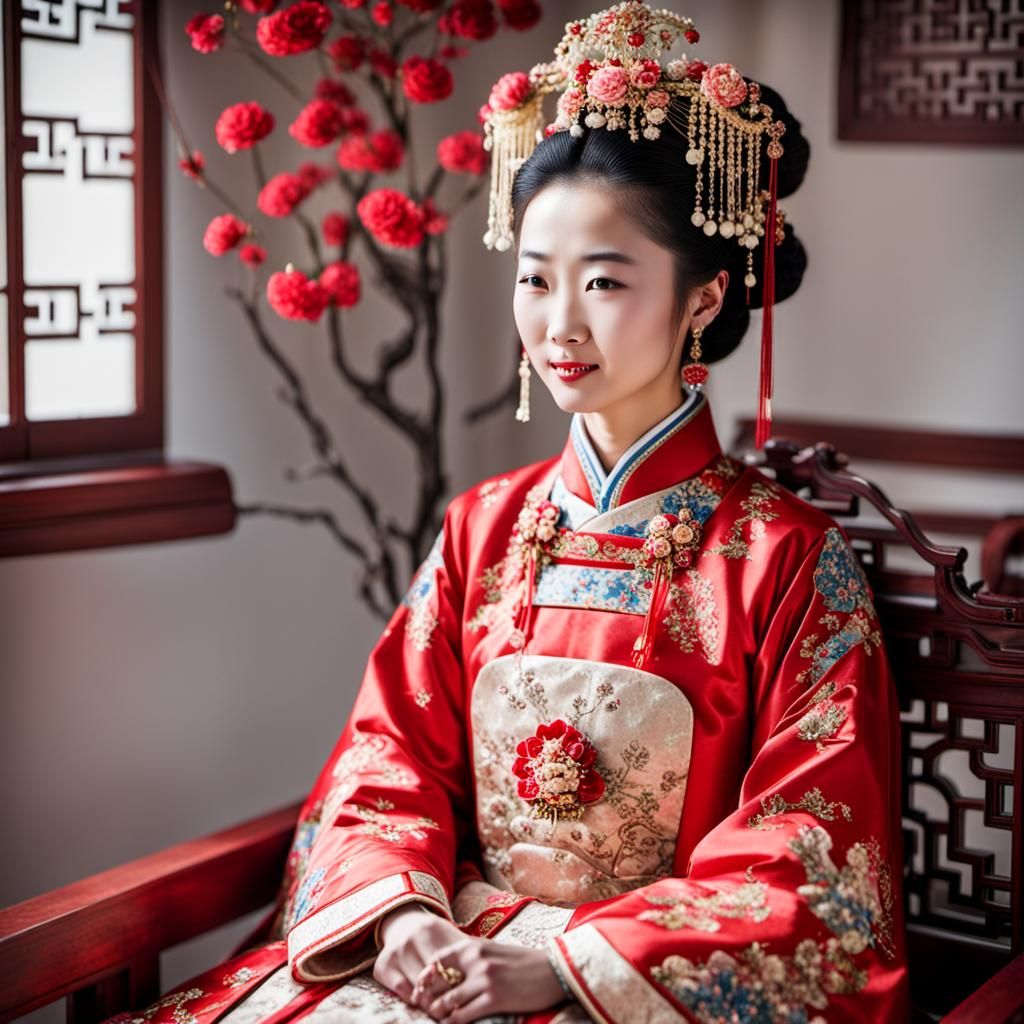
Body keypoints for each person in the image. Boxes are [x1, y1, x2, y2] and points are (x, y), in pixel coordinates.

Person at [107, 4, 910, 1022]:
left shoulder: (789, 559)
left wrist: (566, 967)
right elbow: (388, 756)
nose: (558, 324)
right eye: (535, 279)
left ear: (704, 299)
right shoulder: (481, 526)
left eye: (604, 281)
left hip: (628, 989)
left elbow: (809, 853)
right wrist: (400, 918)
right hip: (438, 953)